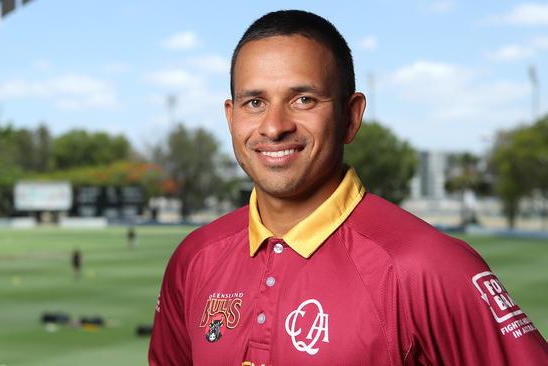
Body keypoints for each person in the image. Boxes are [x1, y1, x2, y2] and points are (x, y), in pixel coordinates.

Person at [149, 9, 548, 366]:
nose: (274, 126)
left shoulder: (428, 267)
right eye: (254, 102)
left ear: (350, 117)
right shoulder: (193, 259)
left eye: (303, 99)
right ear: (230, 116)